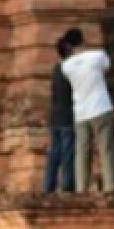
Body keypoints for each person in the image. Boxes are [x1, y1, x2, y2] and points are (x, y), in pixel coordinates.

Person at [60, 27, 114, 193]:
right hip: (100, 107)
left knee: (82, 151)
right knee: (105, 147)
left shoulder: (66, 66)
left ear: (69, 46)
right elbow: (107, 67)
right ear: (83, 40)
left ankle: (81, 187)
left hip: (81, 112)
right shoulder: (98, 56)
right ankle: (111, 185)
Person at [42, 35, 75, 193]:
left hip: (54, 116)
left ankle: (48, 185)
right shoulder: (71, 69)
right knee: (67, 152)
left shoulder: (56, 69)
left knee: (54, 153)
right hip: (67, 116)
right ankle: (67, 184)